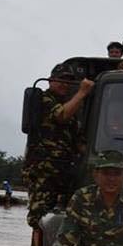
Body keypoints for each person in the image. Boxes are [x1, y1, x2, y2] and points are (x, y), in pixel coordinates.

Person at [23, 63, 94, 231]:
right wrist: (82, 92)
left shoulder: (71, 107)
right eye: (61, 80)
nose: (64, 84)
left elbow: (79, 143)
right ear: (50, 81)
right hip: (44, 172)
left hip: (64, 172)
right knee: (39, 218)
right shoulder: (45, 100)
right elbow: (60, 115)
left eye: (69, 81)